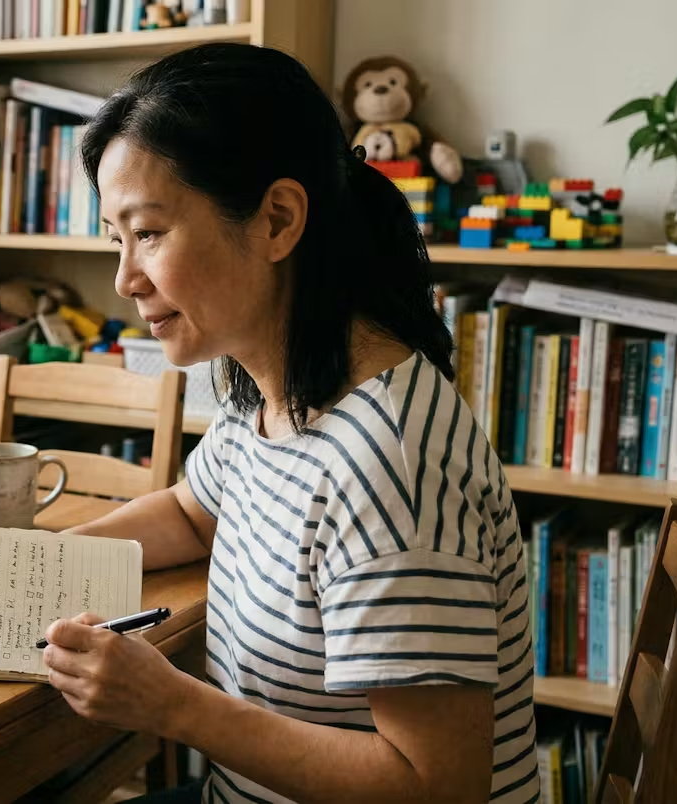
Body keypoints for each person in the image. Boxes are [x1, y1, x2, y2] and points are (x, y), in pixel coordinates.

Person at [37, 44, 535, 804]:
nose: (124, 279)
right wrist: (33, 568)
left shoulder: (386, 466)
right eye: (116, 238)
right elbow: (189, 514)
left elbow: (438, 785)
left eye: (148, 233)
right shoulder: (268, 386)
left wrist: (172, 704)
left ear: (276, 220)